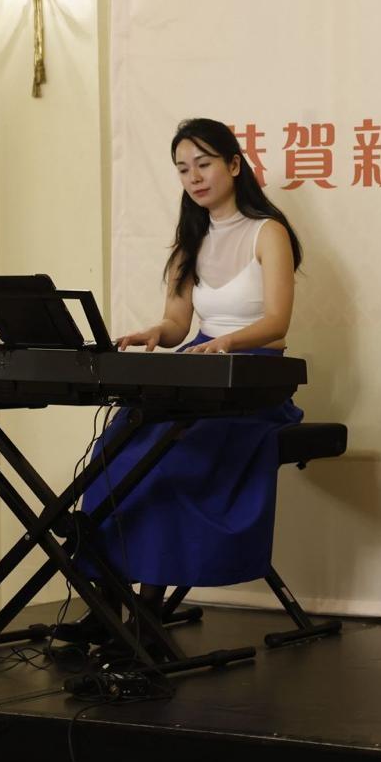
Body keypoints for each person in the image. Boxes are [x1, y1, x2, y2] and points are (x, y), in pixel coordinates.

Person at [77, 117, 304, 627]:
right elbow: (180, 324)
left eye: (203, 164)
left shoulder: (269, 233)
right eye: (183, 169)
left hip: (253, 377)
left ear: (233, 164)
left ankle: (148, 608)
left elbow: (276, 323)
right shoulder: (190, 241)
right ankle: (105, 600)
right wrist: (154, 333)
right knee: (111, 453)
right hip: (199, 365)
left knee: (167, 458)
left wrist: (226, 342)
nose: (194, 177)